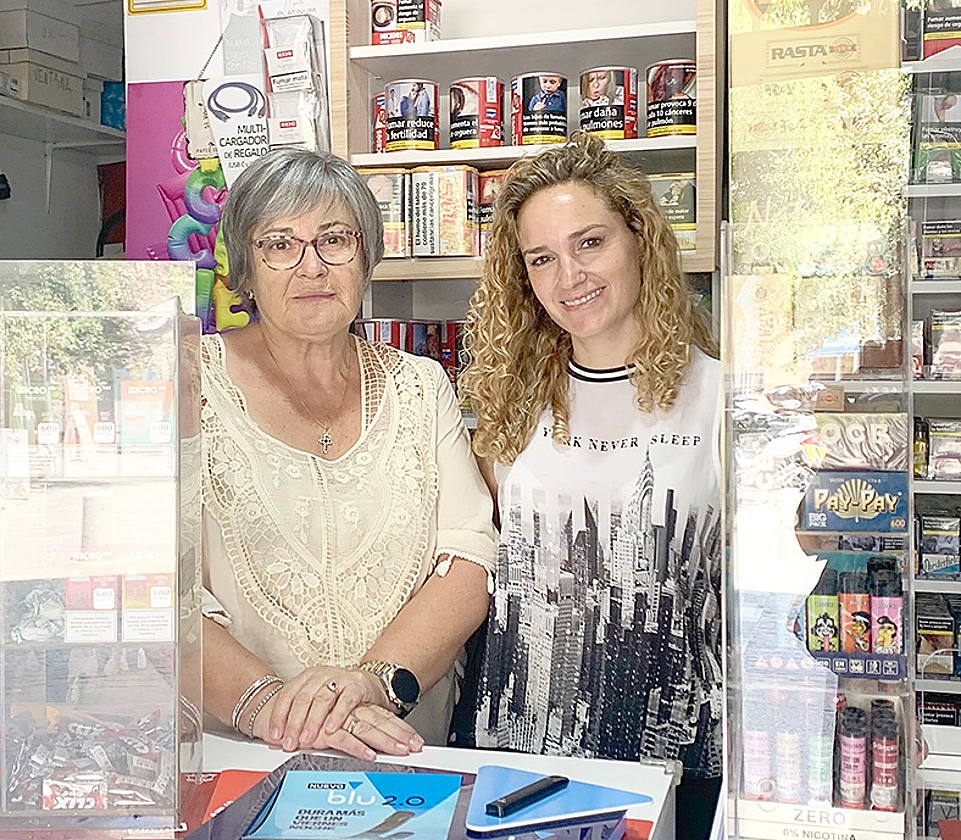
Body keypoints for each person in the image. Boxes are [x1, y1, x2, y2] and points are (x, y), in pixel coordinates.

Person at [454, 133, 722, 840]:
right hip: (522, 759)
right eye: (541, 258)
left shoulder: (722, 397)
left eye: (590, 242)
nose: (568, 275)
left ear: (639, 238)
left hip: (680, 767)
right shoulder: (508, 403)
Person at [202, 147, 497, 762]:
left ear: (366, 260)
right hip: (240, 754)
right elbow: (158, 589)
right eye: (280, 245)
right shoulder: (187, 386)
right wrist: (274, 709)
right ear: (243, 271)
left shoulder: (421, 385)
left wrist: (372, 683)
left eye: (335, 240)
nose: (311, 266)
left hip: (405, 744)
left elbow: (468, 557)